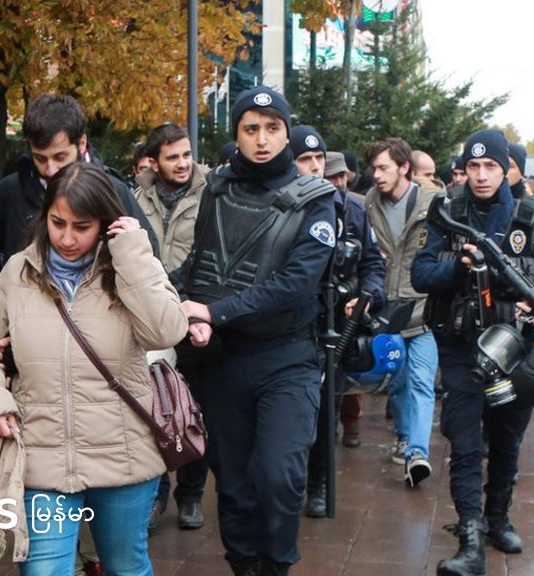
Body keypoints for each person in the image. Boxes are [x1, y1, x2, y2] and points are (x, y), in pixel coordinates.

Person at [0, 163, 187, 575]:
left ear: (104, 222)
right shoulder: (19, 272)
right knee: (44, 571)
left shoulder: (127, 266)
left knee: (125, 566)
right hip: (42, 457)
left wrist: (132, 252)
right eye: (58, 223)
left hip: (124, 456)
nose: (67, 239)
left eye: (82, 227)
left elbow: (167, 331)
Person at [169, 86, 336, 576]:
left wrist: (214, 312)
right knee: (234, 483)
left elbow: (297, 284)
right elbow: (200, 263)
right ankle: (244, 565)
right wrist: (172, 298)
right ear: (237, 134)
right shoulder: (217, 190)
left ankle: (277, 564)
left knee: (280, 475)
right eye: (250, 129)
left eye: (272, 128)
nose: (262, 139)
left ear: (286, 132)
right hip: (223, 362)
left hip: (288, 359)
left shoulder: (316, 200)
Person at [412, 129, 534, 576]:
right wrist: (457, 270)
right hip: (460, 346)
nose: (481, 175)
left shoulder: (531, 218)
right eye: (473, 166)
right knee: (463, 441)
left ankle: (498, 517)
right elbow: (421, 275)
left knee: (506, 439)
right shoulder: (446, 213)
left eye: (491, 167)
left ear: (505, 170)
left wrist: (532, 310)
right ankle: (470, 537)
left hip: (513, 348)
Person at [289, 128, 385, 517]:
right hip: (289, 327)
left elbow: (373, 263)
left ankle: (319, 485)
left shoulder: (351, 209)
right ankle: (289, 484)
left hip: (334, 328)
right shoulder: (280, 207)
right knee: (292, 414)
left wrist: (367, 296)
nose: (315, 167)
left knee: (327, 411)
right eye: (305, 160)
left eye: (319, 159)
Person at [0, 94, 156, 270]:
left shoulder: (114, 191)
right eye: (40, 158)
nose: (50, 169)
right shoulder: (8, 192)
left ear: (81, 144)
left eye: (60, 157)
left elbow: (151, 259)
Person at [133, 123, 212, 530]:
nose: (182, 164)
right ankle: (157, 493)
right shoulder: (136, 197)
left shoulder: (211, 192)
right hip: (151, 312)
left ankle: (191, 494)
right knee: (154, 405)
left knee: (195, 404)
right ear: (154, 162)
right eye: (172, 157)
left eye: (186, 154)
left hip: (194, 307)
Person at [362, 137, 439, 485]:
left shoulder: (432, 204)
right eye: (374, 168)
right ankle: (405, 435)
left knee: (422, 381)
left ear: (404, 168)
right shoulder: (369, 202)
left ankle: (417, 453)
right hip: (387, 311)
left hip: (423, 308)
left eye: (383, 168)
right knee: (398, 380)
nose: (376, 175)